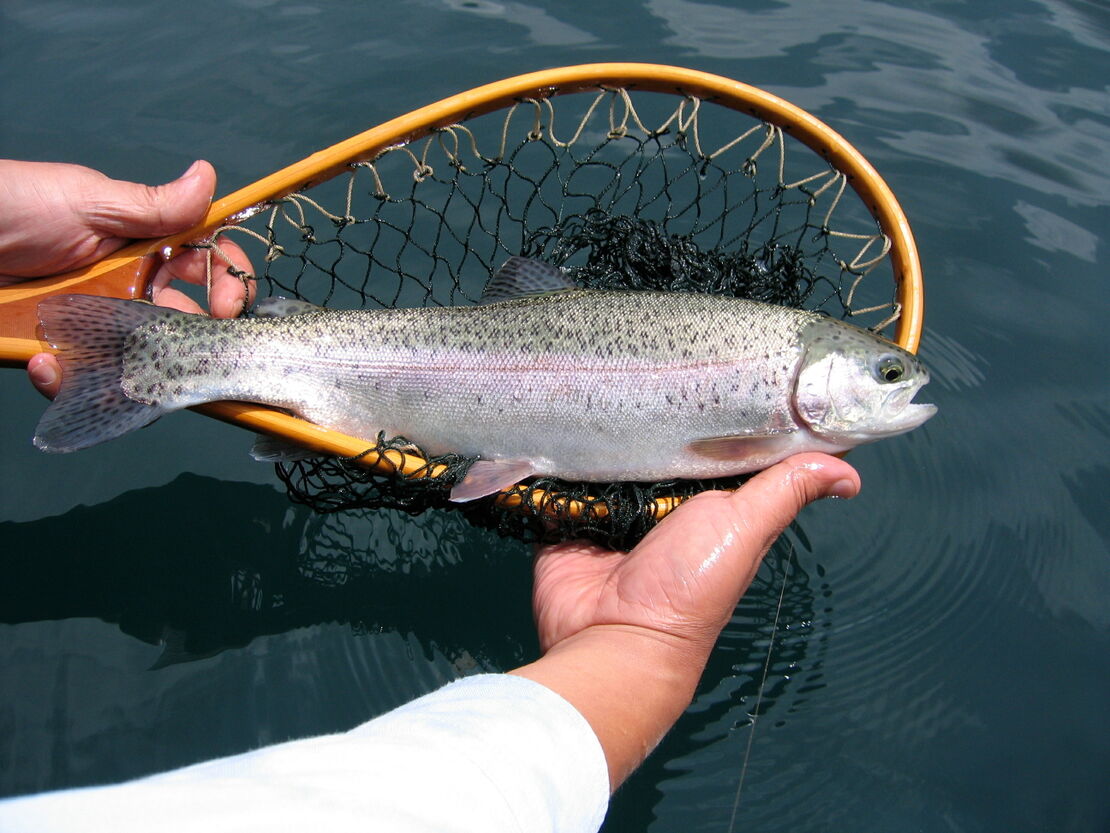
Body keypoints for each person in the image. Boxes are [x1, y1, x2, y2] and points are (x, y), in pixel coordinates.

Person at [0, 160, 861, 832]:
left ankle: (170, 363)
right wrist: (646, 649)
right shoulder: (764, 423)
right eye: (885, 378)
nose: (898, 391)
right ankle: (175, 363)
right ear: (818, 380)